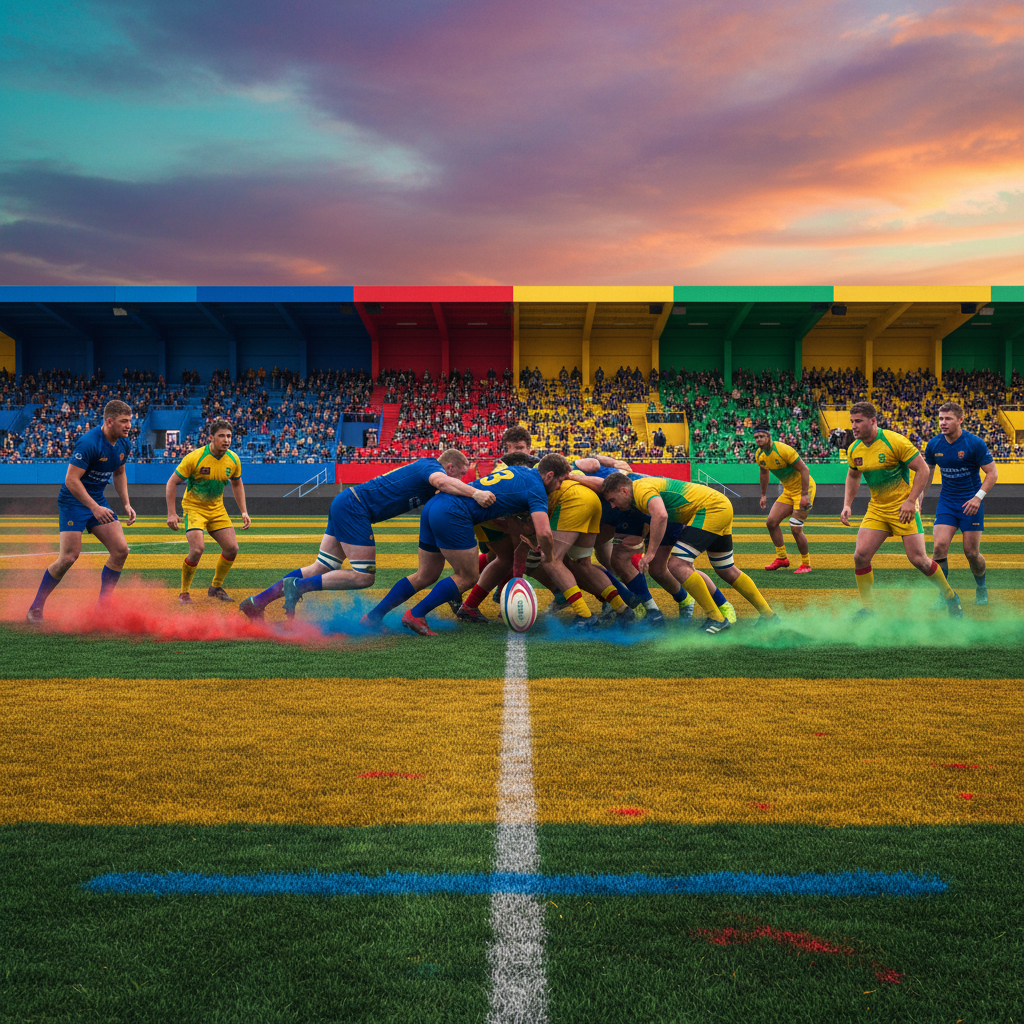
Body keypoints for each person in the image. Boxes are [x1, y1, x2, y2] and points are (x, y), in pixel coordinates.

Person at [240, 449, 492, 619]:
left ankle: (257, 602)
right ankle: (299, 586)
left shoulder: (425, 469)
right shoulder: (431, 468)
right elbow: (442, 482)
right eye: (462, 473)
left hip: (348, 502)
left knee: (321, 567)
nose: (464, 478)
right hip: (355, 509)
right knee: (364, 577)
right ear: (450, 466)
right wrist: (475, 493)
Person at [364, 454, 566, 636]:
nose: (559, 487)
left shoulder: (520, 471)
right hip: (454, 512)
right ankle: (416, 614)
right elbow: (545, 533)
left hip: (436, 504)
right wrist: (549, 556)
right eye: (560, 481)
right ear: (549, 475)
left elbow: (504, 505)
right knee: (468, 576)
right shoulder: (538, 489)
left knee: (424, 575)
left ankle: (372, 617)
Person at [601, 473, 776, 634]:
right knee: (726, 569)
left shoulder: (641, 490)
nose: (612, 505)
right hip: (718, 506)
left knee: (677, 564)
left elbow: (660, 515)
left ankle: (716, 618)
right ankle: (769, 616)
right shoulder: (640, 488)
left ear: (624, 491)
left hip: (710, 509)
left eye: (613, 500)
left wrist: (650, 553)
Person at [840, 401, 961, 618]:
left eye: (858, 421)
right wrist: (847, 504)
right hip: (877, 509)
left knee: (919, 560)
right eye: (852, 422)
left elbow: (923, 469)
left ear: (873, 421)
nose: (854, 426)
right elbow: (853, 475)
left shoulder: (894, 441)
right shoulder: (854, 448)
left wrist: (911, 500)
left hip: (903, 508)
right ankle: (869, 609)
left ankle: (950, 596)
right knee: (861, 556)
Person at [26, 400, 136, 622]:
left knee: (121, 551)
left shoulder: (124, 444)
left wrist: (126, 503)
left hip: (97, 500)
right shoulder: (88, 443)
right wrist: (94, 508)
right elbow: (71, 480)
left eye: (129, 421)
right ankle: (36, 607)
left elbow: (119, 473)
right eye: (124, 422)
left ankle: (103, 608)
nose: (128, 426)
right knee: (68, 557)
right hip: (73, 502)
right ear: (109, 421)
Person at [166, 419, 250, 604]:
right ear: (211, 438)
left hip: (217, 509)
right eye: (221, 436)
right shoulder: (194, 458)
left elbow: (237, 484)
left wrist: (243, 511)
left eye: (229, 436)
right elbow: (172, 482)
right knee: (197, 549)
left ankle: (215, 587)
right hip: (195, 508)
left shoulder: (233, 459)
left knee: (232, 548)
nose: (226, 440)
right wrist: (171, 513)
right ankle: (184, 593)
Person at [923, 401, 997, 606]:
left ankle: (981, 587)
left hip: (971, 503)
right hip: (947, 502)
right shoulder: (934, 444)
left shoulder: (974, 443)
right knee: (939, 547)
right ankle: (944, 594)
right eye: (940, 419)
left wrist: (977, 497)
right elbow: (927, 474)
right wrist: (918, 498)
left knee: (971, 553)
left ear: (960, 420)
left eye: (948, 419)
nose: (943, 423)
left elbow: (992, 474)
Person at [753, 424, 815, 573]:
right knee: (771, 522)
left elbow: (804, 469)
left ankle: (806, 564)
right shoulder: (760, 455)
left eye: (761, 436)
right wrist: (763, 494)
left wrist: (805, 495)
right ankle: (782, 558)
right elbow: (764, 473)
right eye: (756, 437)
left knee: (795, 528)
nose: (759, 440)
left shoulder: (784, 450)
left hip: (804, 490)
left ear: (769, 436)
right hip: (788, 491)